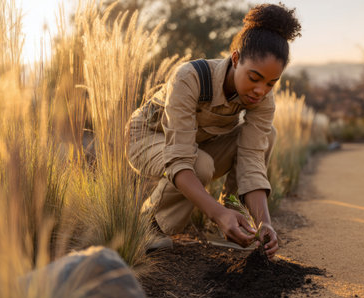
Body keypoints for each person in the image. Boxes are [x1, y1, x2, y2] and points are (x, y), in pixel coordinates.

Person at [126, 3, 301, 260]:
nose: (260, 90)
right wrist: (216, 213)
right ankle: (150, 225)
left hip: (196, 144)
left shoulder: (263, 99)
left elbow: (252, 162)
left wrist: (264, 222)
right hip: (146, 137)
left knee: (268, 135)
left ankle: (236, 220)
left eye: (271, 83)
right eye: (254, 78)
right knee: (200, 164)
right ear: (236, 59)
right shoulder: (190, 77)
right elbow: (180, 159)